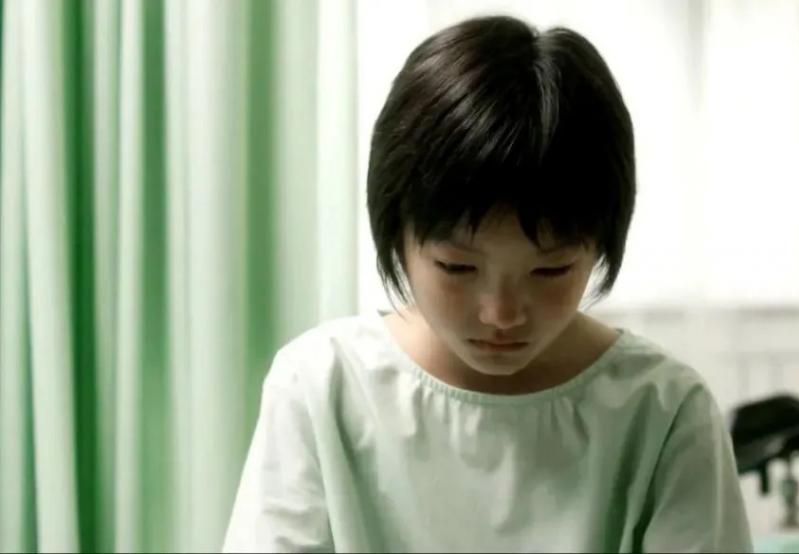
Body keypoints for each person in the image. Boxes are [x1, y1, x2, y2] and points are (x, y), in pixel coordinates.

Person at [223, 14, 752, 553]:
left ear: (600, 246)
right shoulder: (323, 386)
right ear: (397, 235)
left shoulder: (663, 411)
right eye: (457, 268)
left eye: (550, 271)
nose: (501, 314)